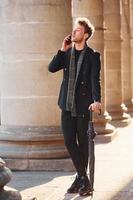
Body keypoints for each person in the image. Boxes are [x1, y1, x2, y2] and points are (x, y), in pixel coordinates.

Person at [48, 17, 101, 196]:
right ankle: (83, 178)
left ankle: (80, 179)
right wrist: (62, 49)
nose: (74, 32)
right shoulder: (67, 53)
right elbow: (51, 68)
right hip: (66, 104)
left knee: (83, 142)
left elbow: (95, 80)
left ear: (85, 35)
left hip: (83, 105)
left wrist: (96, 100)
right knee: (69, 141)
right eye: (74, 29)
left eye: (78, 30)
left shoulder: (93, 56)